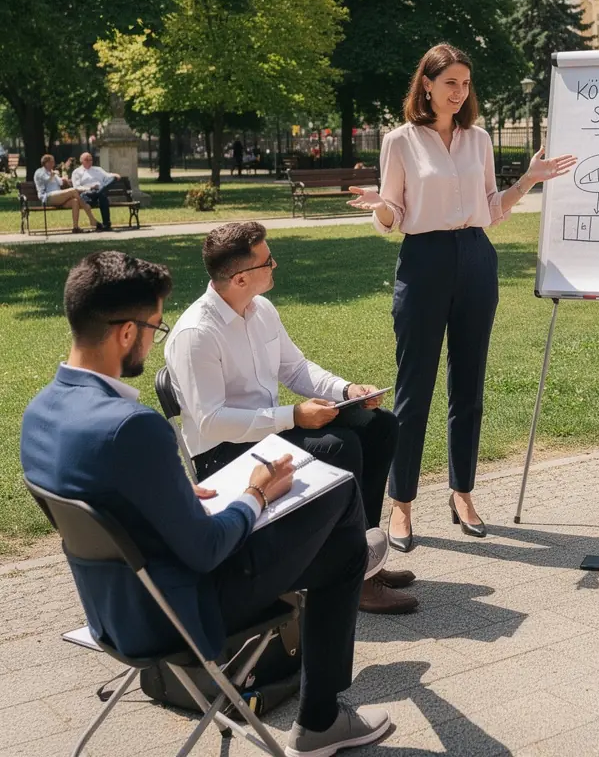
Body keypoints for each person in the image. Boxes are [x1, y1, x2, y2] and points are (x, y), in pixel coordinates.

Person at [20, 252, 392, 754]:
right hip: (180, 615)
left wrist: (168, 495)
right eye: (155, 326)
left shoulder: (40, 413)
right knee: (341, 507)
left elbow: (103, 504)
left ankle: (354, 564)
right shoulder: (133, 427)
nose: (155, 338)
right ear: (126, 332)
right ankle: (320, 718)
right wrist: (257, 493)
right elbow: (208, 549)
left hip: (110, 611)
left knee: (338, 531)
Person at [348, 43, 576, 550]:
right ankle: (401, 504)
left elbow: (491, 207)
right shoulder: (400, 141)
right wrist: (380, 204)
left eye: (466, 83)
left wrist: (528, 180)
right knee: (414, 389)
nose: (459, 92)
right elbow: (392, 218)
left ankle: (463, 493)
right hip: (423, 261)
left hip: (476, 258)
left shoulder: (479, 140)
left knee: (469, 387)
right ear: (426, 84)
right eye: (450, 82)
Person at [164, 221, 417, 614]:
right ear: (241, 278)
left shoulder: (260, 309)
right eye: (268, 261)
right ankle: (353, 577)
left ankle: (364, 555)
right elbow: (212, 421)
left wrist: (347, 391)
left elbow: (296, 369)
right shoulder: (196, 334)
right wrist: (294, 416)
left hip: (268, 435)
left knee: (380, 426)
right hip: (223, 455)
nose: (275, 265)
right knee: (339, 447)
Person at [33, 154, 99, 233]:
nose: (53, 164)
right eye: (51, 162)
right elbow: (46, 180)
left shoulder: (52, 172)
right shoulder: (39, 172)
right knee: (73, 190)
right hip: (47, 197)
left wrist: (64, 179)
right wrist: (53, 175)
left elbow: (60, 183)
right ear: (46, 162)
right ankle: (90, 216)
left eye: (53, 162)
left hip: (58, 197)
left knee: (75, 201)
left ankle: (75, 228)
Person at [71, 152, 119, 231]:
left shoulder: (98, 169)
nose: (89, 161)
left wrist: (115, 175)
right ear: (81, 161)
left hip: (99, 193)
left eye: (91, 160)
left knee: (104, 192)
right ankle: (107, 224)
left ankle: (106, 225)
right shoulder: (77, 172)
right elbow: (76, 187)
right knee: (102, 194)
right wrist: (90, 188)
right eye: (87, 160)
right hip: (87, 194)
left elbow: (108, 176)